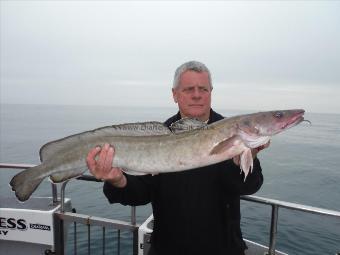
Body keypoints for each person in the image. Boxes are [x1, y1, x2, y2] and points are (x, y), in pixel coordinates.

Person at [87, 61, 269, 255]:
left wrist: (240, 161)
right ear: (175, 94)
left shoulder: (235, 132)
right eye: (189, 89)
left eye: (203, 89)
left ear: (211, 93)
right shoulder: (158, 138)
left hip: (223, 248)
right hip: (168, 248)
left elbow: (250, 186)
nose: (197, 95)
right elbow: (140, 194)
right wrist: (118, 180)